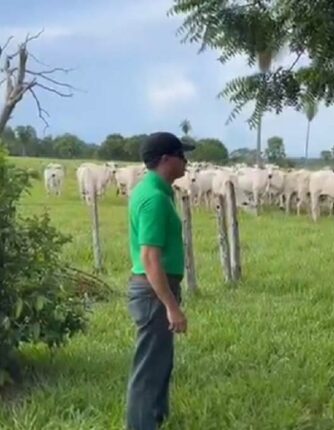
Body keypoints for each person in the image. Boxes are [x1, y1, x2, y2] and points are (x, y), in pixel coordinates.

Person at [126, 131, 194, 430]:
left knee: (160, 362)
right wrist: (172, 306)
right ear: (166, 159)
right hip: (155, 293)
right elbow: (150, 258)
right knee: (149, 369)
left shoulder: (155, 191)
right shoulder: (153, 199)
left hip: (156, 290)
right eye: (182, 155)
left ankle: (155, 418)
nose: (186, 161)